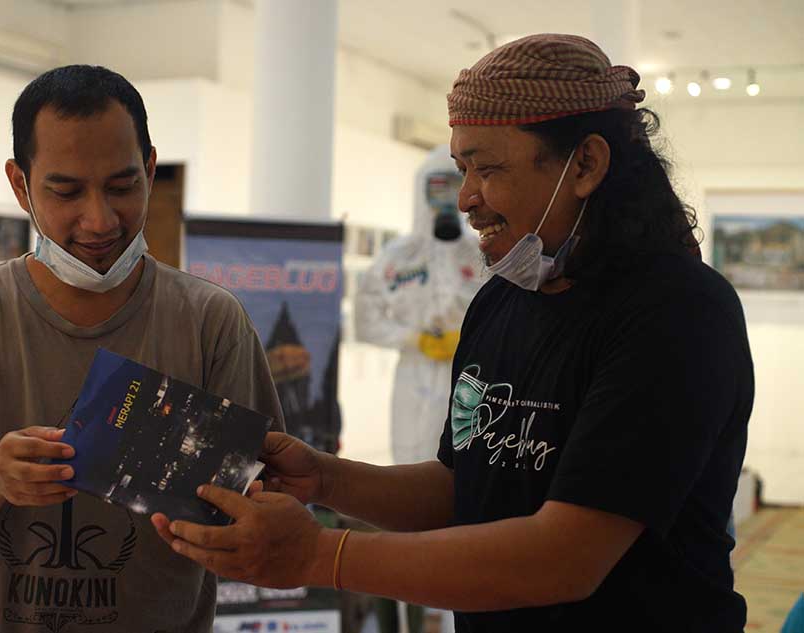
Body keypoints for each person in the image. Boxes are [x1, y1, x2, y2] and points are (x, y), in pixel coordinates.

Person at [151, 34, 754, 632]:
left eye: (488, 169)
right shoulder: (502, 299)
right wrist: (328, 478)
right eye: (461, 168)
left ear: (587, 165)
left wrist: (319, 555)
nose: (466, 199)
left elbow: (566, 559)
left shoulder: (676, 313)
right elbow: (465, 486)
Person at [0, 65, 283, 633]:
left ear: (150, 169)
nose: (100, 219)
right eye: (65, 191)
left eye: (122, 186)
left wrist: (238, 514)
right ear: (20, 185)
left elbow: (265, 518)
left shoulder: (211, 322)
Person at [354, 144, 484, 466]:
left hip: (470, 370)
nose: (445, 199)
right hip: (414, 370)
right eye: (437, 187)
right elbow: (365, 318)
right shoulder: (398, 257)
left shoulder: (481, 254)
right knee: (410, 453)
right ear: (421, 190)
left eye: (453, 186)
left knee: (467, 455)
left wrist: (471, 339)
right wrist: (413, 339)